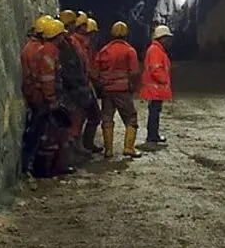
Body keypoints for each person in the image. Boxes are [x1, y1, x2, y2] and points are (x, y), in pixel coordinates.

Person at [21, 15, 66, 178]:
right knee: (43, 133)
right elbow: (47, 78)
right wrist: (52, 99)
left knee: (41, 133)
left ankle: (37, 167)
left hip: (36, 95)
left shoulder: (32, 48)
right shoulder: (44, 51)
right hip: (40, 97)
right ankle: (40, 169)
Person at [95, 21, 143, 158]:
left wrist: (101, 85)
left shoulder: (104, 50)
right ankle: (129, 148)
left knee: (107, 119)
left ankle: (108, 150)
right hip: (123, 90)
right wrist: (132, 86)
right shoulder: (129, 51)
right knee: (131, 118)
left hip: (107, 90)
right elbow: (134, 72)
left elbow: (96, 71)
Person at [52, 12, 94, 163]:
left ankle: (73, 153)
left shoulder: (70, 41)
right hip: (70, 88)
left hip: (75, 85)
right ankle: (68, 158)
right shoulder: (65, 44)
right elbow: (69, 67)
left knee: (75, 120)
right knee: (70, 124)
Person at [67, 13, 102, 154]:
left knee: (85, 116)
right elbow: (84, 66)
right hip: (80, 85)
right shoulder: (76, 43)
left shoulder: (80, 44)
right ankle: (78, 147)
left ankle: (83, 145)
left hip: (82, 83)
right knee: (81, 117)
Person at [140, 25, 173, 144]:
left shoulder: (156, 49)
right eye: (167, 38)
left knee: (154, 112)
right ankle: (152, 136)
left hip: (154, 88)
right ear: (161, 38)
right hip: (155, 88)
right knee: (154, 112)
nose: (169, 41)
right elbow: (156, 69)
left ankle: (153, 135)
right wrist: (164, 80)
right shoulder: (156, 50)